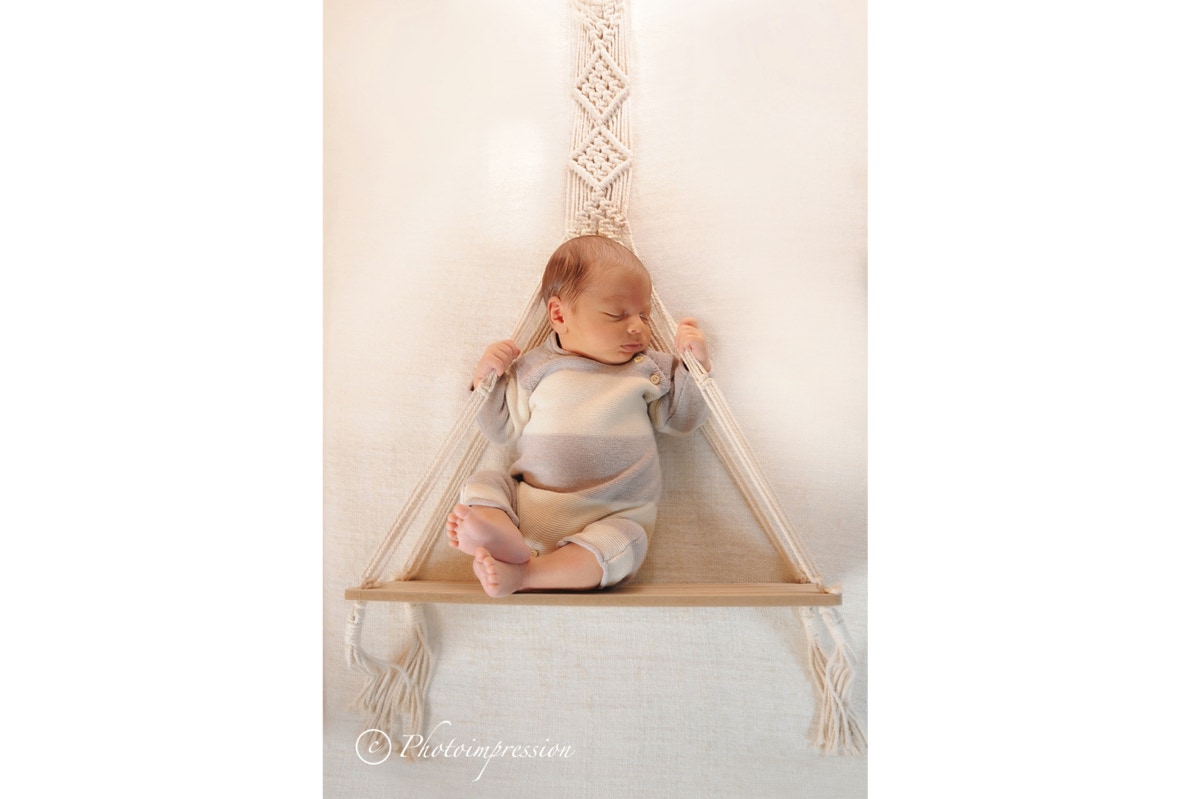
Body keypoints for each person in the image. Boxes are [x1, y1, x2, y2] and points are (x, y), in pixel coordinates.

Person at [446, 235, 712, 597]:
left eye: (644, 315)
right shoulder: (534, 369)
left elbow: (682, 419)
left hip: (611, 516)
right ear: (559, 315)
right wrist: (486, 380)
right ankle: (495, 528)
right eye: (617, 314)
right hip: (529, 505)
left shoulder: (646, 368)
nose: (637, 327)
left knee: (627, 543)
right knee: (485, 482)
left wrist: (695, 368)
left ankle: (526, 575)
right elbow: (499, 428)